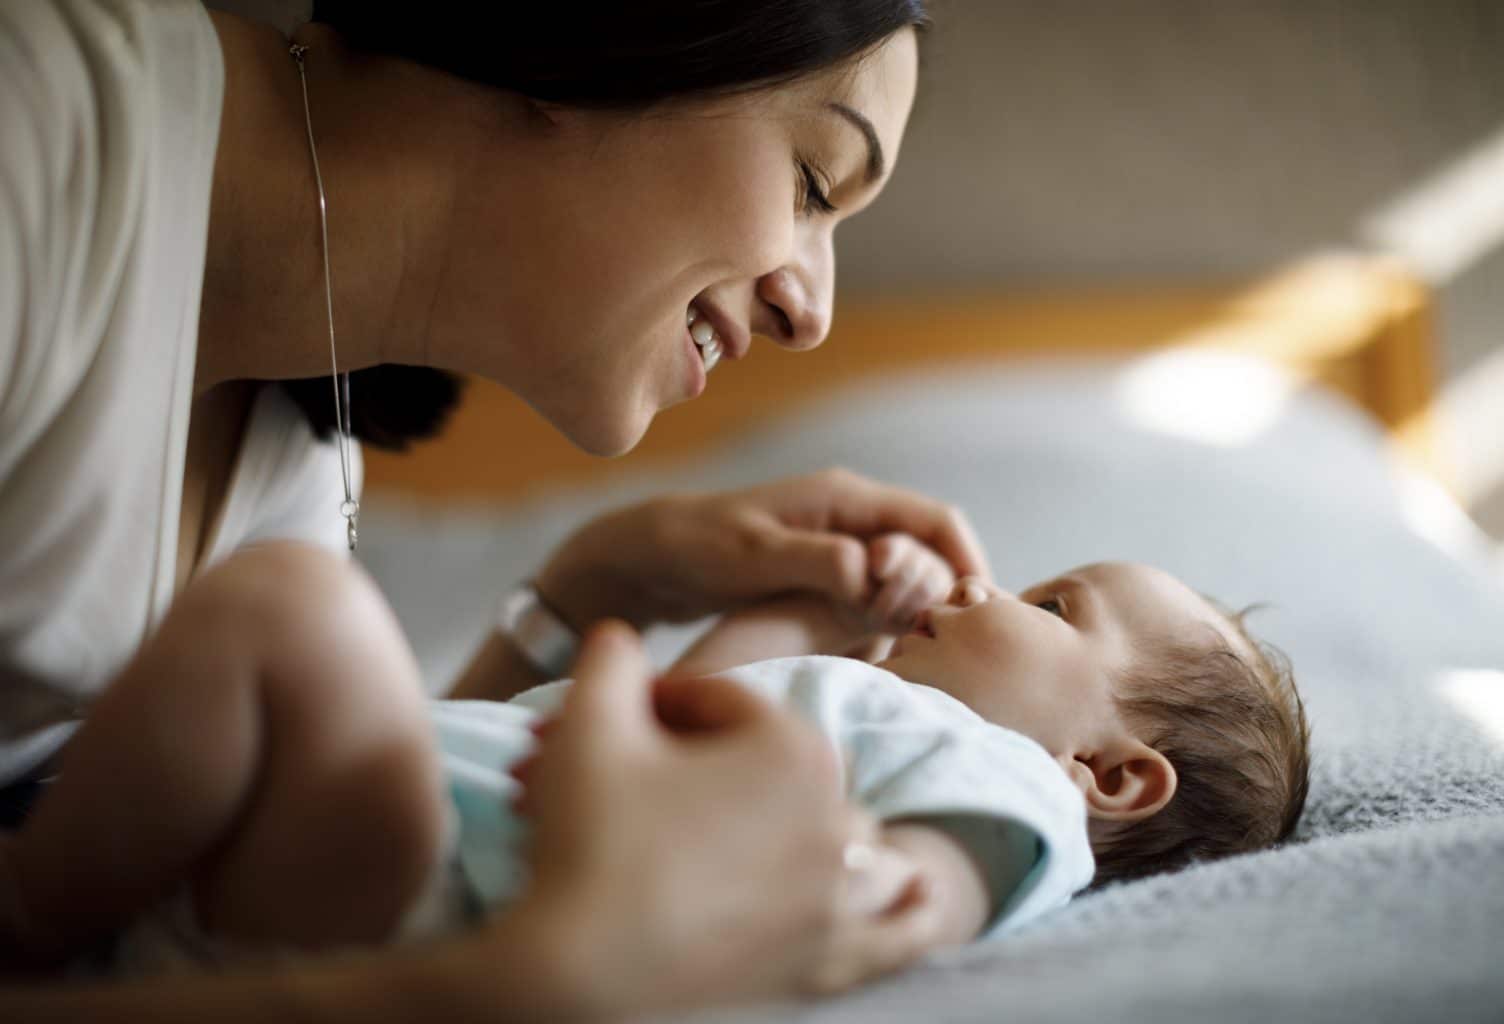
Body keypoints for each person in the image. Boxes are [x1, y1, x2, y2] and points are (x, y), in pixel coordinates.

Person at [0, 0, 1005, 1017]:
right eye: (813, 180)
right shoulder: (34, 138)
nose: (813, 312)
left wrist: (587, 590)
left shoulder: (303, 425)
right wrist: (511, 988)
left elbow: (378, 839)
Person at [1, 535, 1310, 975]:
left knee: (298, 613)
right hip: (363, 861)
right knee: (278, 630)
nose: (985, 592)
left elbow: (932, 879)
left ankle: (29, 908)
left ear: (1113, 773)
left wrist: (889, 896)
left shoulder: (1000, 773)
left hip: (411, 883)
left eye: (1052, 604)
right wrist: (820, 593)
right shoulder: (866, 715)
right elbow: (705, 699)